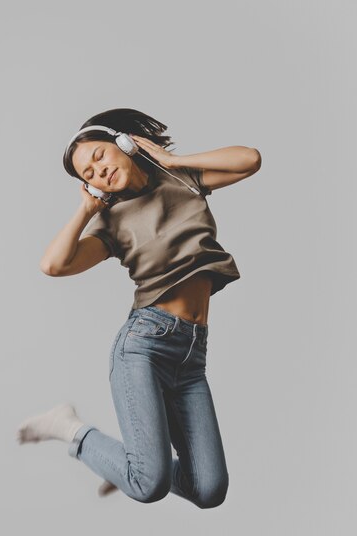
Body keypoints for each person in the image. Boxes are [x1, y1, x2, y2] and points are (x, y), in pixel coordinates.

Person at [17, 108, 261, 508]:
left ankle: (132, 464)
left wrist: (171, 160)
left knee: (209, 489)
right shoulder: (110, 221)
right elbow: (53, 265)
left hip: (191, 355)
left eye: (99, 157)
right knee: (149, 483)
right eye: (88, 176)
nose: (98, 172)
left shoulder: (183, 177)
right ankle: (72, 430)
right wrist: (86, 210)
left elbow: (250, 159)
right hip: (145, 346)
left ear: (123, 143)